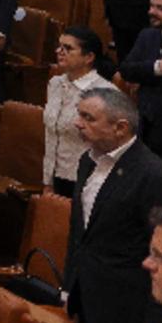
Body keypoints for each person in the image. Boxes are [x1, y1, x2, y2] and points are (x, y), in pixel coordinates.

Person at [66, 86, 162, 323]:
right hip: (85, 295)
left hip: (124, 307)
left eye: (89, 118)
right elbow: (80, 233)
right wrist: (69, 287)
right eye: (79, 114)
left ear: (121, 128)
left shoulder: (153, 176)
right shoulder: (87, 160)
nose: (78, 123)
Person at [43, 26, 111, 196]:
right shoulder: (55, 83)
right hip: (54, 175)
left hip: (86, 181)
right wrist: (47, 181)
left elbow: (107, 144)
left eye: (68, 48)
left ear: (89, 57)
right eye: (59, 46)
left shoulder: (105, 92)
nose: (59, 51)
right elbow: (51, 135)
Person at [123, 0, 162, 170]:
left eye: (161, 9)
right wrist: (157, 68)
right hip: (146, 129)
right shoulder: (147, 36)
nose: (151, 12)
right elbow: (127, 70)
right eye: (152, 6)